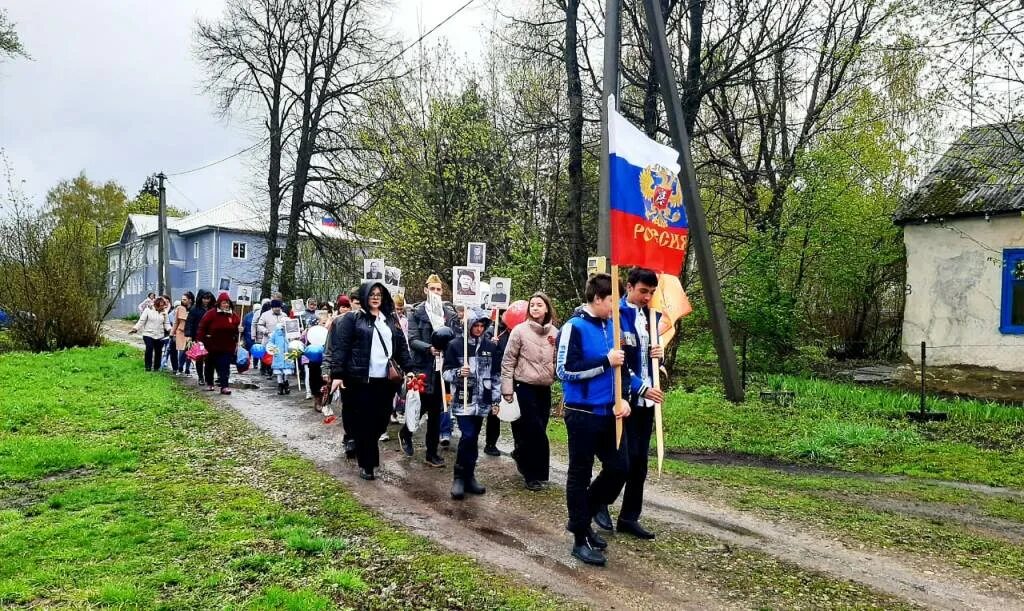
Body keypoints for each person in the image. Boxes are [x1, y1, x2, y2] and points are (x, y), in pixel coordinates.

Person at [556, 273, 632, 567]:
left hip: (610, 413)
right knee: (580, 473)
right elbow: (564, 370)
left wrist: (623, 396)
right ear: (597, 298)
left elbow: (622, 367)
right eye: (613, 300)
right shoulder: (572, 327)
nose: (616, 306)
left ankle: (581, 518)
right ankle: (579, 538)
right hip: (582, 413)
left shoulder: (614, 327)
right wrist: (604, 362)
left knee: (619, 468)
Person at [591, 268, 666, 540]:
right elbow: (619, 364)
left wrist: (660, 356)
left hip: (647, 403)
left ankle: (629, 517)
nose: (647, 297)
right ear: (630, 287)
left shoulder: (653, 317)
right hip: (624, 399)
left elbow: (651, 362)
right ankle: (599, 500)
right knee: (621, 461)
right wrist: (641, 388)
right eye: (643, 291)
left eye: (652, 292)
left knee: (639, 463)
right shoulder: (616, 316)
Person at [328, 282, 412, 480]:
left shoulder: (390, 320)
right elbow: (341, 348)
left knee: (381, 421)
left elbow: (401, 347)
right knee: (365, 422)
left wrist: (410, 369)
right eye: (372, 294)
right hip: (360, 380)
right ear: (365, 297)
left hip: (385, 380)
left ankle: (365, 448)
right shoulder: (352, 319)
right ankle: (367, 463)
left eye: (379, 294)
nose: (375, 298)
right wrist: (337, 374)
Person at [501, 292, 559, 491]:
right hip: (523, 386)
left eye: (539, 304)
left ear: (546, 308)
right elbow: (508, 361)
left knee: (541, 428)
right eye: (532, 305)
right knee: (531, 428)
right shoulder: (519, 331)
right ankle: (531, 474)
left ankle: (523, 457)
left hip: (545, 387)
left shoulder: (555, 333)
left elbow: (559, 360)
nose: (535, 308)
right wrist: (507, 389)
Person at [400, 274, 458, 467]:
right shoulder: (417, 312)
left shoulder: (448, 313)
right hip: (423, 368)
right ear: (426, 291)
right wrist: (429, 348)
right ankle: (406, 432)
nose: (435, 292)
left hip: (442, 370)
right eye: (432, 289)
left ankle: (431, 453)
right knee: (420, 407)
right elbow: (412, 338)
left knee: (436, 411)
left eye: (438, 289)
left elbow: (455, 336)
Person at [442, 314, 499, 499]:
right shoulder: (455, 345)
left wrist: (496, 401)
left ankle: (469, 476)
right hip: (463, 399)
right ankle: (459, 476)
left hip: (483, 400)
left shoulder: (490, 346)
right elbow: (445, 374)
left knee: (473, 438)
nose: (479, 329)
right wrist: (459, 372)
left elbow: (496, 375)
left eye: (482, 326)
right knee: (467, 435)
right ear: (468, 325)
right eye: (476, 325)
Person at [197, 292, 241, 394]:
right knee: (209, 365)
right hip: (211, 345)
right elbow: (202, 327)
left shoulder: (233, 315)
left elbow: (236, 328)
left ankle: (224, 386)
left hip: (227, 346)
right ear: (219, 303)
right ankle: (210, 384)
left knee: (224, 366)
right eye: (224, 303)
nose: (226, 305)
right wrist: (200, 341)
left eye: (227, 303)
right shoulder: (211, 313)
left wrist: (239, 330)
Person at [130, 296, 170, 371]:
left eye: (163, 305)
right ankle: (148, 367)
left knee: (158, 351)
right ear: (156, 305)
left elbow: (166, 323)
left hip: (160, 335)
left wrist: (170, 330)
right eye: (160, 306)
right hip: (148, 334)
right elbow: (141, 320)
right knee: (149, 348)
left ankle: (156, 368)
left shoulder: (164, 313)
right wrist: (135, 328)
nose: (162, 307)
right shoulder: (148, 310)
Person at [185, 291, 214, 386]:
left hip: (210, 337)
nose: (206, 301)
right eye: (204, 298)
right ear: (201, 298)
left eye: (208, 298)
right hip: (198, 337)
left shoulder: (213, 309)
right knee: (200, 358)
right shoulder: (195, 309)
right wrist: (189, 335)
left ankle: (209, 377)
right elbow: (189, 322)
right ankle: (201, 377)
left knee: (210, 359)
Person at [256, 300, 288, 377]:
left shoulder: (284, 315)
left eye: (279, 307)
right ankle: (265, 370)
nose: (277, 309)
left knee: (277, 355)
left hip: (280, 340)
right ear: (272, 307)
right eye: (275, 307)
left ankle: (275, 371)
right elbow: (259, 325)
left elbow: (287, 325)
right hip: (268, 339)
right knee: (267, 355)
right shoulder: (265, 315)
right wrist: (266, 331)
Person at [267, 322, 295, 395]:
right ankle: (280, 385)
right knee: (279, 371)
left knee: (287, 370)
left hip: (288, 354)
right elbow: (270, 342)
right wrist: (273, 350)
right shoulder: (275, 333)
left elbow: (294, 341)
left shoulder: (289, 333)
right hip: (278, 355)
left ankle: (286, 383)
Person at [173, 291, 194, 376]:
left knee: (190, 351)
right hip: (181, 332)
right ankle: (180, 367)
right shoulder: (180, 308)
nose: (183, 301)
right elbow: (176, 322)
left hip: (191, 333)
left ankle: (187, 368)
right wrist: (172, 333)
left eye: (185, 299)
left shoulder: (194, 309)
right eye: (182, 299)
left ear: (190, 300)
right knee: (182, 351)